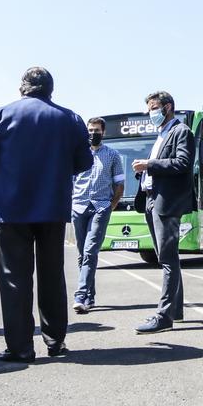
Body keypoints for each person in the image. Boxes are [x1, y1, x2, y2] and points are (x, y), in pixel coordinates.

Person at [0, 67, 92, 363]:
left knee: (14, 277)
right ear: (50, 90)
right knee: (52, 274)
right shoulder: (70, 118)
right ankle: (55, 341)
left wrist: (2, 182)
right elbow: (84, 162)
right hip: (52, 206)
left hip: (11, 207)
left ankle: (20, 347)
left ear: (22, 88)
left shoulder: (0, 115)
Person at [131, 91, 195, 334]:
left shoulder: (181, 132)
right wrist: (144, 172)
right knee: (167, 258)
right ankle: (175, 311)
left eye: (154, 108)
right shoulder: (161, 135)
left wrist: (149, 165)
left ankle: (164, 315)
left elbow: (182, 163)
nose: (151, 113)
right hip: (151, 199)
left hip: (166, 203)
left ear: (168, 107)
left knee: (168, 259)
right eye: (149, 109)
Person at [70, 117, 126, 314]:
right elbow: (69, 180)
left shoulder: (112, 155)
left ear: (103, 132)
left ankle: (80, 295)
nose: (93, 133)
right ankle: (90, 297)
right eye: (90, 130)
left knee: (90, 250)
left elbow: (119, 184)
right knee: (82, 253)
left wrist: (111, 206)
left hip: (101, 208)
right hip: (78, 207)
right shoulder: (77, 154)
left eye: (97, 130)